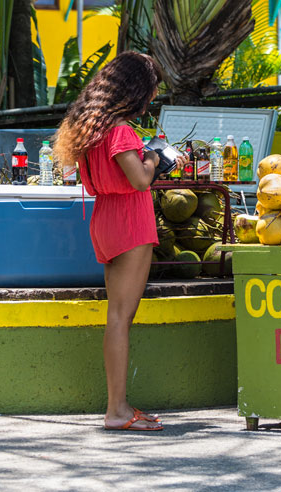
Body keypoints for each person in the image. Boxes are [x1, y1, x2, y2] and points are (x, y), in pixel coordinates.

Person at [53, 51, 186, 432]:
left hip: (105, 219)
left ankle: (118, 408)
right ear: (136, 90)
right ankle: (118, 410)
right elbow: (140, 180)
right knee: (121, 319)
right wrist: (158, 160)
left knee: (116, 316)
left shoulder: (91, 126)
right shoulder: (120, 130)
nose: (153, 95)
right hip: (130, 220)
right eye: (152, 88)